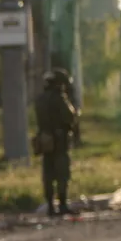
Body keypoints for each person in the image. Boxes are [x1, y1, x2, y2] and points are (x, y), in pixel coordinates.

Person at [35, 68, 79, 216]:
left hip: (46, 140)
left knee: (48, 174)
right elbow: (70, 117)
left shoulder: (40, 99)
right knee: (62, 174)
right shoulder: (59, 98)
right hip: (60, 142)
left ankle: (50, 206)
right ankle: (62, 205)